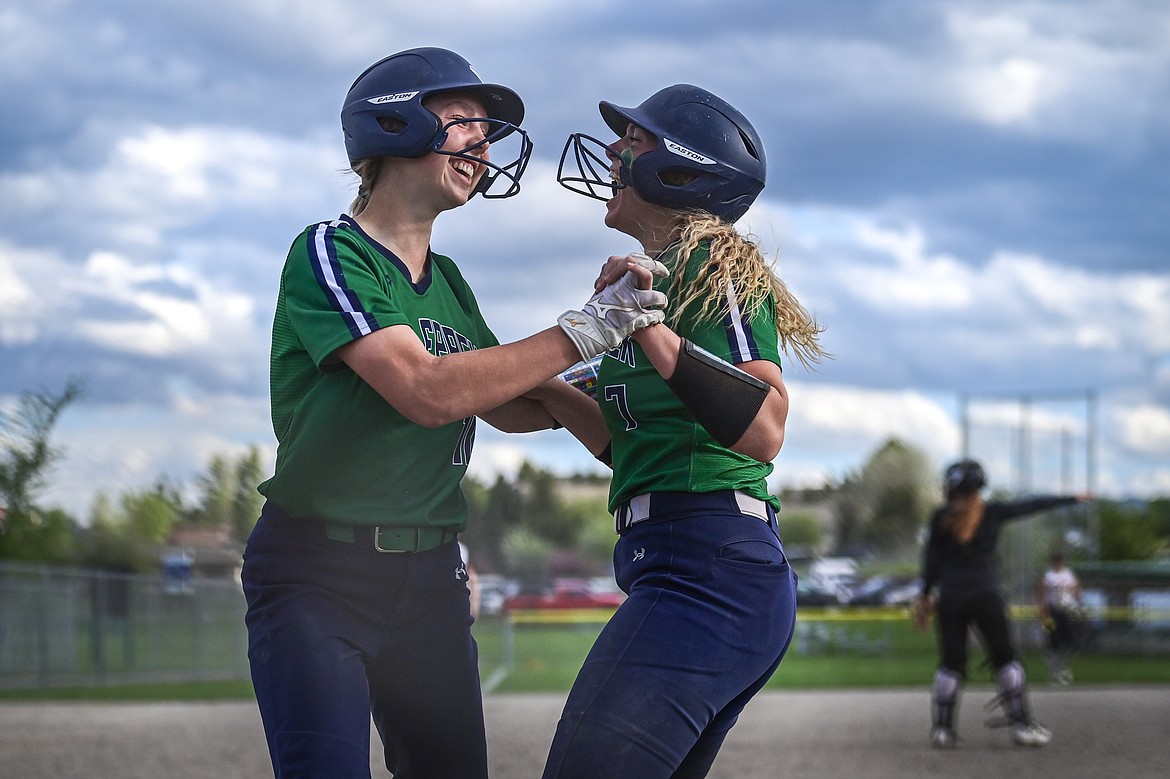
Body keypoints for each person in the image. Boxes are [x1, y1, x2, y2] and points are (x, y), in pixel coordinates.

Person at [240, 47, 667, 779]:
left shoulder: (451, 282)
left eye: (487, 128)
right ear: (392, 120)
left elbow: (505, 398)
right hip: (318, 573)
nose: (485, 142)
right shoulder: (329, 252)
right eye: (465, 118)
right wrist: (583, 329)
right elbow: (428, 390)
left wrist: (620, 389)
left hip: (429, 576)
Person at [536, 83, 826, 778]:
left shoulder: (711, 266)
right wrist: (480, 366)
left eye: (632, 142)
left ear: (680, 170)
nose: (612, 151)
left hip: (712, 568)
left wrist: (649, 328)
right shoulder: (649, 282)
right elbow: (618, 436)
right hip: (677, 561)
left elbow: (764, 426)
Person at [912, 459, 1088, 749]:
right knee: (1005, 658)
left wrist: (925, 594)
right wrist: (1072, 498)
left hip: (952, 597)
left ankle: (942, 730)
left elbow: (932, 561)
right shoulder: (992, 513)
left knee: (951, 664)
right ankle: (1021, 725)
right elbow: (1031, 505)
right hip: (986, 594)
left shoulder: (940, 517)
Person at [1036, 551, 1083, 684]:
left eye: (1061, 561)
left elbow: (1077, 590)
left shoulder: (1068, 575)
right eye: (1057, 561)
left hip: (1067, 610)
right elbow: (1041, 593)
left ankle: (1063, 667)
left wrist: (1077, 604)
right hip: (1052, 611)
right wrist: (1042, 611)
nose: (1060, 564)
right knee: (1053, 642)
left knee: (1072, 641)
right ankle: (1054, 671)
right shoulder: (1048, 576)